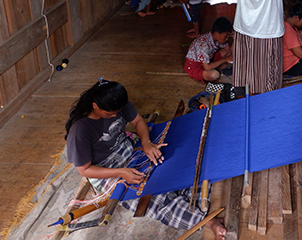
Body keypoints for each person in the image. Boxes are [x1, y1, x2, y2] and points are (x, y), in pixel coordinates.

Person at [65, 79, 226, 239]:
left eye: (116, 112)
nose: (115, 116)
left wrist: (146, 143)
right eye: (110, 114)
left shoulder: (115, 101)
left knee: (175, 166)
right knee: (150, 198)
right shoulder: (80, 130)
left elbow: (138, 121)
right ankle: (206, 221)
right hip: (105, 169)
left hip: (130, 149)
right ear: (95, 106)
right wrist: (122, 172)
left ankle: (192, 205)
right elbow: (85, 170)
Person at [184, 17, 233, 83]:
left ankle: (219, 70)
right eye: (225, 36)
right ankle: (217, 75)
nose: (227, 39)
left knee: (226, 52)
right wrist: (225, 59)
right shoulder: (203, 45)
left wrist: (235, 38)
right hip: (195, 66)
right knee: (214, 75)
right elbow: (207, 67)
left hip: (208, 60)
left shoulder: (214, 37)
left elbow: (229, 51)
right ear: (216, 34)